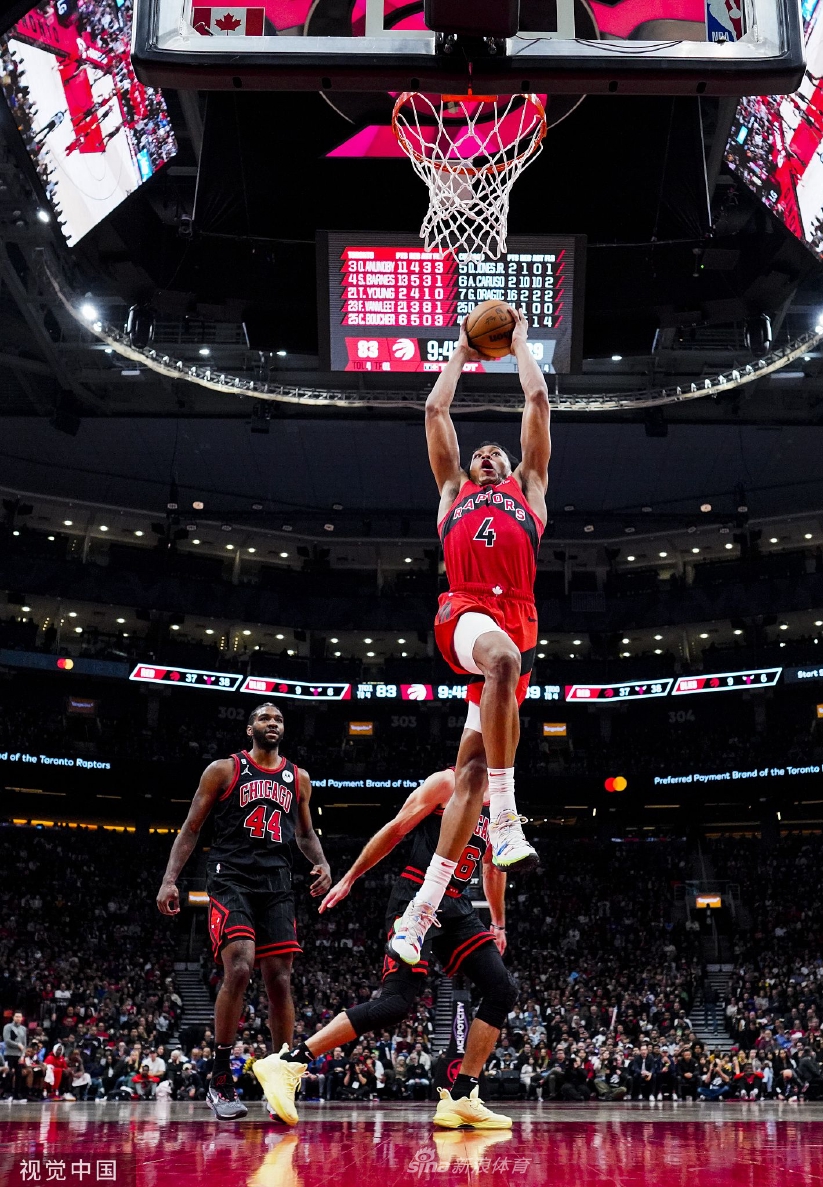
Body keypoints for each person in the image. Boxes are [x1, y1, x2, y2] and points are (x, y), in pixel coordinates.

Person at [388, 308, 551, 967]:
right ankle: (507, 821)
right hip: (466, 613)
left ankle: (417, 914)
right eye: (478, 452)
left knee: (471, 778)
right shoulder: (452, 489)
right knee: (502, 660)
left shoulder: (530, 489)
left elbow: (537, 401)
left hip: (519, 622)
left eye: (496, 452)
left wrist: (520, 346)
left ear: (511, 465)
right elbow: (435, 411)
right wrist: (459, 349)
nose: (486, 455)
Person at [252, 768, 516, 1130]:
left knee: (502, 989)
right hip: (417, 896)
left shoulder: (501, 800)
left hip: (457, 905)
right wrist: (350, 877)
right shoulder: (445, 783)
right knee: (395, 1003)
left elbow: (493, 867)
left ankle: (462, 1096)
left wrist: (498, 923)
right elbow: (395, 829)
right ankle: (289, 1062)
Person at [156, 702, 331, 1121]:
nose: (273, 723)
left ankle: (280, 1077)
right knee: (238, 967)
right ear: (250, 727)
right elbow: (191, 827)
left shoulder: (298, 777)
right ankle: (220, 1078)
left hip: (277, 881)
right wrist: (169, 879)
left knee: (281, 980)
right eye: (265, 718)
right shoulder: (224, 770)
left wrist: (322, 863)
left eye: (279, 720)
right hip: (231, 877)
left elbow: (305, 834)